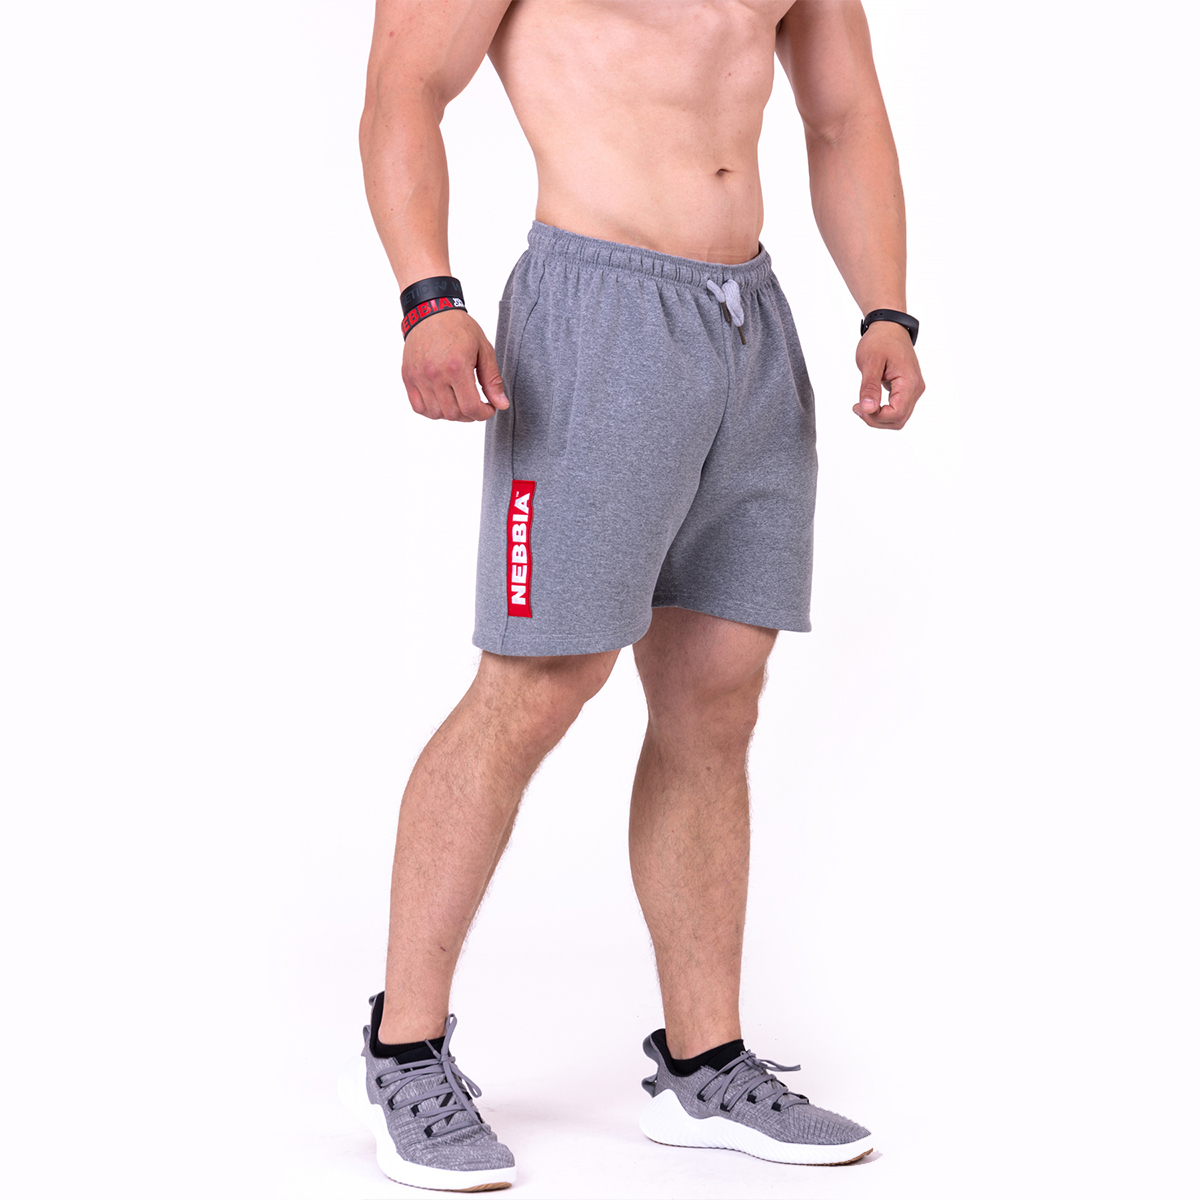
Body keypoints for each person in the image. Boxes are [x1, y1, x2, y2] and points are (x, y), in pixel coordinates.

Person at [343, 0, 925, 1190]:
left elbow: (842, 114)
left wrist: (885, 306)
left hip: (748, 323)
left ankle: (704, 1065)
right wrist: (428, 296)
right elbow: (405, 89)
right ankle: (405, 1048)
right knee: (535, 686)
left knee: (719, 695)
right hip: (595, 313)